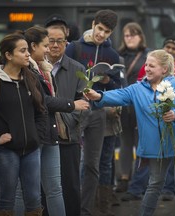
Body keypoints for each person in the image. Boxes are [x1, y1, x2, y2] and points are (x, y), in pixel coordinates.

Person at [85, 49, 175, 216]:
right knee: (154, 185)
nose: (146, 68)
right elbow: (120, 94)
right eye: (146, 64)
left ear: (164, 70)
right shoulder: (137, 89)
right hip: (157, 147)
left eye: (151, 66)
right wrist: (98, 96)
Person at [14, 26, 89, 216]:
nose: (51, 48)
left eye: (58, 42)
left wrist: (71, 121)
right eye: (47, 44)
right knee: (28, 190)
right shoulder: (26, 70)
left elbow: (84, 104)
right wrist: (71, 105)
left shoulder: (48, 69)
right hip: (36, 135)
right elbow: (44, 101)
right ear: (33, 46)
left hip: (58, 134)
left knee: (60, 188)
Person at [65, 9, 121, 215]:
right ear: (93, 24)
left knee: (91, 163)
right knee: (70, 159)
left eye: (107, 32)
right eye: (100, 29)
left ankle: (85, 209)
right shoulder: (74, 47)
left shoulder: (112, 54)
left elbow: (118, 86)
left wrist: (108, 80)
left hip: (98, 112)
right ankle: (68, 205)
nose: (102, 34)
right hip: (75, 109)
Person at [0, 33, 47, 215]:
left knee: (34, 200)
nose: (28, 54)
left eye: (28, 50)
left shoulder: (32, 79)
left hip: (31, 150)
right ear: (8, 55)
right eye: (22, 51)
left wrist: (36, 135)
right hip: (5, 151)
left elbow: (42, 112)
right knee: (7, 200)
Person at [45, 25, 89, 216]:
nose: (55, 45)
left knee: (70, 185)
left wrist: (66, 122)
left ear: (66, 43)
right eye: (51, 41)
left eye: (59, 41)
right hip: (43, 136)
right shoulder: (35, 67)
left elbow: (85, 105)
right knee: (44, 186)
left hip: (68, 137)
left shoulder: (77, 69)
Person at [116, 22, 151, 194]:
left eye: (133, 34)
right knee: (125, 144)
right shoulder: (118, 55)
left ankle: (140, 181)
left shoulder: (147, 55)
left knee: (140, 143)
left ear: (140, 36)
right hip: (123, 106)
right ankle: (123, 178)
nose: (129, 38)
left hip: (141, 107)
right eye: (126, 35)